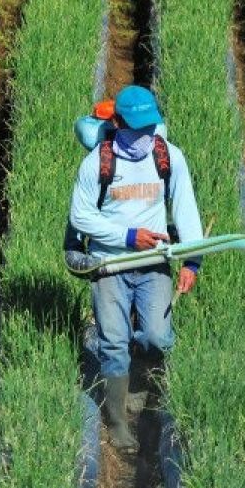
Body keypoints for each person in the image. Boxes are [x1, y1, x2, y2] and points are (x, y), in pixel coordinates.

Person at [68, 84, 205, 450]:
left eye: (149, 127)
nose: (144, 136)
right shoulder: (97, 162)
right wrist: (128, 237)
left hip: (154, 263)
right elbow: (81, 217)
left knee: (159, 336)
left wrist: (192, 259)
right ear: (117, 122)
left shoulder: (167, 156)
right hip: (109, 263)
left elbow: (186, 209)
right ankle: (117, 423)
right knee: (113, 342)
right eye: (136, 128)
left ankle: (139, 382)